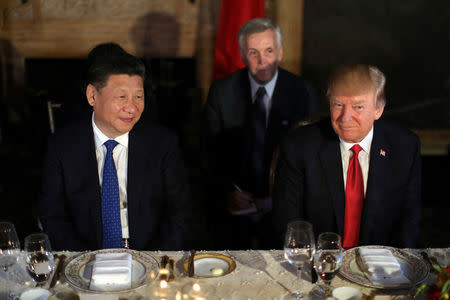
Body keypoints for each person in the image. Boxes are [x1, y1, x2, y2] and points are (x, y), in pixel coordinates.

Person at [38, 43, 191, 251]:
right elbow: (53, 216)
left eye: (138, 97)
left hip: (150, 258)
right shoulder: (62, 146)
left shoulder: (163, 144)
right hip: (85, 260)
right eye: (121, 97)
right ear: (92, 96)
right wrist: (85, 260)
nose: (132, 107)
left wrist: (154, 260)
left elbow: (179, 214)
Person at [272, 64, 421, 248]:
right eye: (338, 104)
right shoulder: (299, 147)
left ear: (378, 109)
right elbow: (287, 225)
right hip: (319, 264)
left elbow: (410, 223)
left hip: (382, 268)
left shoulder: (404, 146)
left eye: (358, 106)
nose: (345, 117)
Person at [202, 18, 317, 249]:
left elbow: (311, 157)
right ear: (243, 56)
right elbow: (208, 151)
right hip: (234, 205)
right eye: (253, 53)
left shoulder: (302, 92)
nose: (262, 61)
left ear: (280, 52)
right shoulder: (222, 92)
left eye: (269, 51)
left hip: (285, 204)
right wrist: (228, 191)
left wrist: (277, 198)